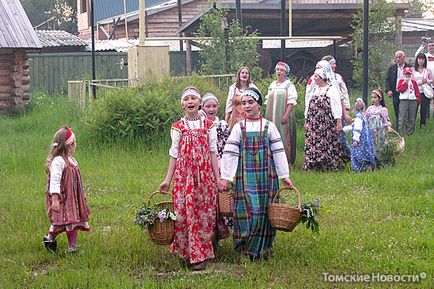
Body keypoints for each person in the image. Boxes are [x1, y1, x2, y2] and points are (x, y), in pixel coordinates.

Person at [219, 87, 292, 261]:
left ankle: (264, 247)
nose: (246, 106)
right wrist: (227, 177)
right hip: (245, 176)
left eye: (250, 102)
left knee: (264, 211)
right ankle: (244, 247)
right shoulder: (239, 127)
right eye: (243, 103)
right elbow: (230, 153)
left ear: (258, 104)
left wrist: (284, 175)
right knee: (246, 209)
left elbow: (279, 152)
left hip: (267, 177)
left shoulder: (269, 126)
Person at [159, 87, 220, 271]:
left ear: (199, 102)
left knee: (204, 212)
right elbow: (174, 154)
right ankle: (187, 252)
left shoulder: (208, 126)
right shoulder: (178, 127)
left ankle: (201, 252)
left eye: (194, 98)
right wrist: (167, 180)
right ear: (182, 104)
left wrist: (218, 178)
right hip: (184, 177)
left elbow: (213, 152)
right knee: (185, 212)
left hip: (204, 177)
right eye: (187, 99)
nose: (190, 101)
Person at [43, 126, 91, 253]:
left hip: (73, 199)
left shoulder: (71, 159)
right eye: (73, 142)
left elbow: (76, 182)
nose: (75, 145)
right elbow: (54, 181)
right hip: (63, 198)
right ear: (67, 145)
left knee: (73, 221)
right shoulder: (58, 161)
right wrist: (54, 199)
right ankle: (49, 238)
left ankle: (72, 248)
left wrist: (82, 195)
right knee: (59, 222)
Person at [303, 63, 348, 171]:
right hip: (314, 124)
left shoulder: (331, 89)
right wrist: (306, 120)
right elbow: (308, 105)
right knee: (313, 142)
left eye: (316, 76)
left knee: (328, 142)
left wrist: (338, 121)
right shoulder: (314, 90)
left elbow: (336, 105)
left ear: (322, 77)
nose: (314, 78)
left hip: (326, 124)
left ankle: (329, 164)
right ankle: (313, 164)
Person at [201, 92, 231, 241]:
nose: (211, 109)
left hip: (220, 164)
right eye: (208, 106)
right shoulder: (200, 124)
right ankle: (206, 234)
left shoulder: (223, 124)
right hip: (204, 165)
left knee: (220, 200)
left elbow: (227, 146)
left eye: (214, 106)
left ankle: (218, 234)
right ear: (202, 107)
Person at [264, 61, 298, 166]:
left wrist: (286, 115)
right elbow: (268, 100)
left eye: (281, 70)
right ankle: (271, 160)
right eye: (277, 70)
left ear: (285, 73)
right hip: (271, 115)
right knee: (271, 135)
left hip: (283, 114)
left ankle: (286, 161)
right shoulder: (272, 84)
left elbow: (291, 101)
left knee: (284, 136)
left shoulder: (289, 85)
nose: (278, 72)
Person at [322, 55, 352, 156]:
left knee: (341, 138)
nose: (335, 66)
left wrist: (346, 112)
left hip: (339, 111)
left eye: (334, 63)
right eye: (332, 64)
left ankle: (353, 156)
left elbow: (344, 95)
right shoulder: (320, 78)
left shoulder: (338, 78)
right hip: (325, 112)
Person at [343, 98, 376, 172]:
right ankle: (368, 166)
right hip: (366, 140)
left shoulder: (358, 119)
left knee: (358, 154)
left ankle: (360, 168)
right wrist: (344, 129)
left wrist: (356, 140)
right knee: (366, 152)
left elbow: (356, 129)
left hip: (360, 141)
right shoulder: (363, 117)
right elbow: (352, 126)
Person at [365, 88, 393, 166]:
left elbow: (386, 120)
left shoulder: (383, 109)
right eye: (372, 97)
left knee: (380, 146)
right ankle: (372, 162)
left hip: (379, 132)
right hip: (371, 131)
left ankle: (381, 162)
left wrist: (389, 128)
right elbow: (364, 118)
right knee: (371, 145)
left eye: (375, 97)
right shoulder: (370, 109)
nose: (373, 99)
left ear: (380, 98)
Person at [385, 51, 412, 127]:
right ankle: (399, 126)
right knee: (397, 109)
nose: (398, 59)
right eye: (396, 57)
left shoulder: (409, 67)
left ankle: (407, 126)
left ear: (404, 58)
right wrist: (388, 90)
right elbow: (388, 80)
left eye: (399, 57)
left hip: (407, 93)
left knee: (407, 110)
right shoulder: (392, 68)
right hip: (396, 92)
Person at [397, 67, 421, 135]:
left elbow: (417, 91)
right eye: (406, 74)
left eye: (409, 74)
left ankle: (409, 132)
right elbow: (400, 90)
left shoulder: (413, 82)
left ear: (411, 74)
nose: (407, 75)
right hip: (404, 100)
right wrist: (405, 83)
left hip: (413, 101)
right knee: (402, 117)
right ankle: (401, 133)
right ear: (403, 74)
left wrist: (418, 99)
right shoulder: (401, 81)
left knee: (411, 117)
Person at [413, 53, 434, 127]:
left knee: (424, 109)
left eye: (422, 59)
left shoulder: (427, 70)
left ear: (425, 60)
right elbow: (412, 82)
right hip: (415, 92)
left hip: (424, 92)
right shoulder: (413, 70)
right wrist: (421, 82)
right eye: (419, 59)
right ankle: (412, 125)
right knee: (414, 109)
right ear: (417, 60)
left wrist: (427, 81)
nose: (421, 61)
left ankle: (422, 125)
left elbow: (432, 80)